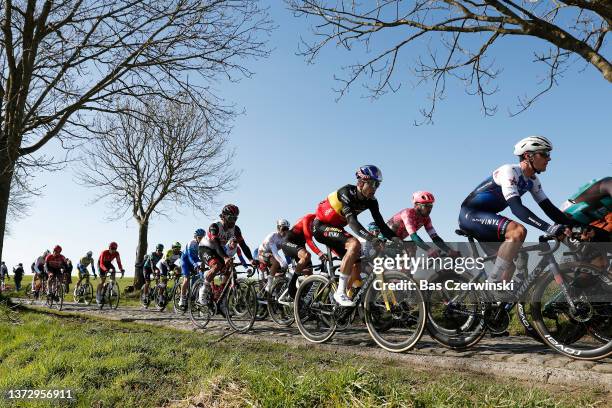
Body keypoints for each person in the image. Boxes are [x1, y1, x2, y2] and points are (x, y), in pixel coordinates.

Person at [458, 136, 574, 283]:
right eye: (544, 153)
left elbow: (550, 209)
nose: (549, 159)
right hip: (470, 214)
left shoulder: (532, 181)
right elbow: (517, 208)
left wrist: (575, 225)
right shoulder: (509, 171)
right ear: (528, 156)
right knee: (517, 231)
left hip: (487, 217)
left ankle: (496, 301)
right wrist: (548, 228)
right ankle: (492, 283)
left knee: (509, 267)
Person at [312, 165, 401, 306]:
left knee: (357, 263)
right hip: (320, 227)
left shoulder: (371, 201)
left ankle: (351, 296)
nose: (375, 188)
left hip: (336, 229)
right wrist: (372, 238)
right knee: (354, 244)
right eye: (372, 184)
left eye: (377, 185)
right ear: (360, 182)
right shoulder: (346, 192)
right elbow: (353, 222)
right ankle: (339, 293)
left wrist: (397, 240)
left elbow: (381, 225)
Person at [197, 204, 258, 304]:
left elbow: (243, 245)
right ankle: (204, 288)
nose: (233, 221)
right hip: (205, 248)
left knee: (230, 270)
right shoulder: (215, 226)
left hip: (218, 250)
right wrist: (225, 257)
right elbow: (216, 244)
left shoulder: (236, 229)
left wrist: (251, 259)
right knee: (217, 265)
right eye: (230, 218)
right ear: (224, 216)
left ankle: (220, 295)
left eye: (235, 218)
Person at [387, 191, 460, 258]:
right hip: (384, 240)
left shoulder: (426, 219)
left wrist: (449, 250)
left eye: (431, 206)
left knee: (412, 250)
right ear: (416, 205)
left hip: (397, 241)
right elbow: (414, 236)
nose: (429, 209)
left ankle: (404, 271)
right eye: (426, 206)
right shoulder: (407, 213)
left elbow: (435, 237)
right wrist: (429, 250)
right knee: (410, 249)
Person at [280, 214, 322, 300]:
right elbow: (309, 239)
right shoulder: (308, 219)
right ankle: (293, 281)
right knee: (306, 255)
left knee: (309, 273)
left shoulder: (322, 223)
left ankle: (305, 301)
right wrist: (319, 253)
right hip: (288, 241)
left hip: (300, 244)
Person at [257, 219, 291, 293]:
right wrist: (282, 262)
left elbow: (286, 252)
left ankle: (276, 293)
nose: (285, 231)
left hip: (271, 254)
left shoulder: (284, 239)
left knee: (281, 274)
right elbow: (275, 253)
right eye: (284, 228)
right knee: (276, 263)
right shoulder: (272, 236)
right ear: (278, 228)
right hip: (262, 253)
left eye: (287, 229)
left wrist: (290, 264)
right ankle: (269, 285)